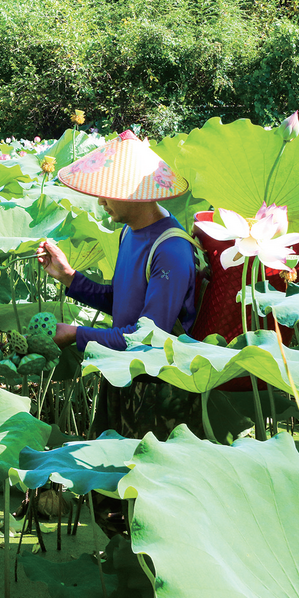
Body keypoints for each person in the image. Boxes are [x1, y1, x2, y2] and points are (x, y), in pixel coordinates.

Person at [36, 130, 200, 440]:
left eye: (108, 191)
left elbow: (147, 339)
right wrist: (69, 277)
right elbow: (125, 302)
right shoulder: (129, 232)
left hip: (158, 393)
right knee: (106, 483)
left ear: (133, 191)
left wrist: (76, 334)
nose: (101, 201)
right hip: (119, 373)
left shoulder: (171, 249)